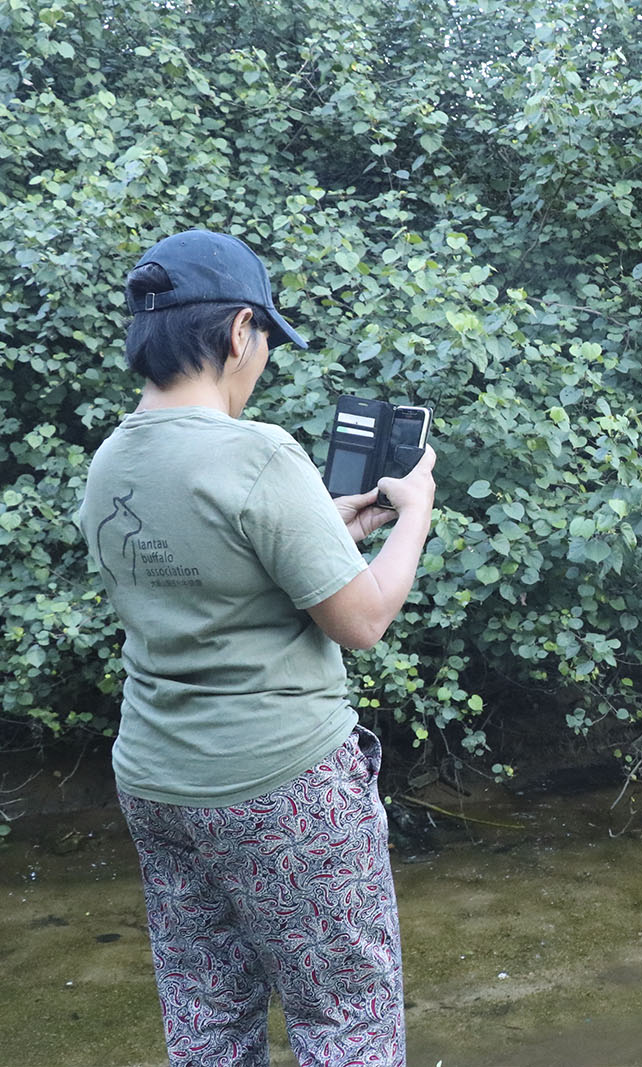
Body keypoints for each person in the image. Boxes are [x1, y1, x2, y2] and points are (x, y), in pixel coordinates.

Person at [78, 228, 436, 1066]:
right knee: (344, 1013)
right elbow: (364, 620)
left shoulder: (110, 462)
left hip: (157, 781)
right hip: (281, 785)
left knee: (207, 1013)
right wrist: (411, 513)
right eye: (267, 337)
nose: (264, 356)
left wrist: (328, 528)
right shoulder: (260, 453)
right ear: (240, 331)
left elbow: (204, 577)